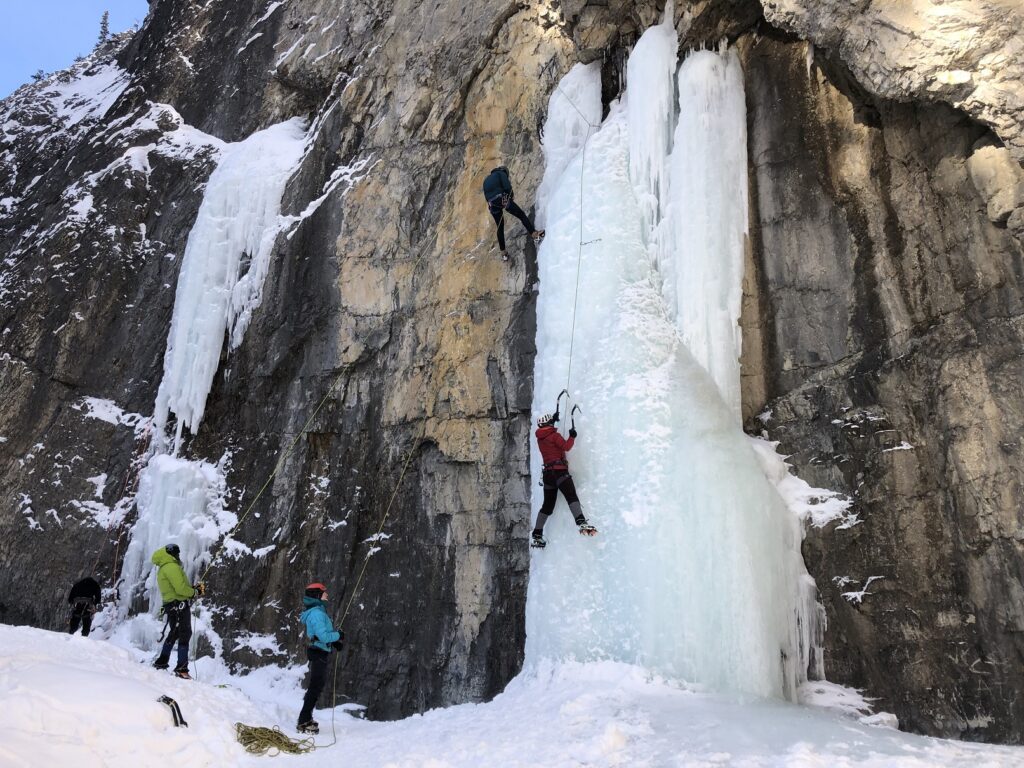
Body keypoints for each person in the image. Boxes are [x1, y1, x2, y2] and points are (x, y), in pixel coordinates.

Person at [532, 413, 596, 548]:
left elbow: (547, 433)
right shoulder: (554, 436)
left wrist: (552, 421)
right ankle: (581, 522)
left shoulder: (540, 438)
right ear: (549, 423)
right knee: (571, 496)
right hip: (560, 472)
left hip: (548, 475)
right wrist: (572, 436)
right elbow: (566, 446)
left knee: (547, 506)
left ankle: (537, 534)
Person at [151, 544, 205, 679]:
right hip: (178, 605)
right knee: (184, 633)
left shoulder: (165, 567)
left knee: (174, 633)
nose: (178, 556)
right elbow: (180, 589)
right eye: (177, 553)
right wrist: (195, 592)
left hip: (173, 604)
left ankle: (161, 662)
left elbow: (178, 587)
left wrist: (191, 589)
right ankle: (182, 668)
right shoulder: (171, 567)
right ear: (171, 554)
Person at [298, 582, 343, 734]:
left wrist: (334, 642)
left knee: (316, 686)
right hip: (319, 653)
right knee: (315, 687)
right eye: (324, 592)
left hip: (319, 651)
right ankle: (303, 721)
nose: (327, 594)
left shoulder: (317, 611)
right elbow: (323, 636)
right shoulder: (317, 614)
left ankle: (306, 718)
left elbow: (321, 635)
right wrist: (338, 636)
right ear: (317, 595)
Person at [482, 165, 544, 260]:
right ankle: (534, 234)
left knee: (500, 227)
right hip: (502, 199)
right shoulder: (501, 173)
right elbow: (507, 186)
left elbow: (487, 196)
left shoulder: (486, 180)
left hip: (492, 204)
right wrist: (511, 196)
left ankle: (503, 253)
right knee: (521, 215)